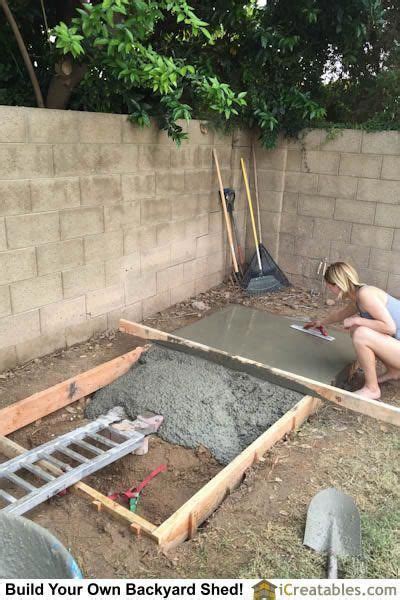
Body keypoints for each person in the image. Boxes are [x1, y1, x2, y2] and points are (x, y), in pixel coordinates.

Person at [305, 261, 400, 400]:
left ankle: (372, 389)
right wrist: (320, 322)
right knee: (356, 330)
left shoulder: (365, 295)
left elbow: (389, 327)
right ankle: (394, 371)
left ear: (336, 285)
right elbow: (341, 314)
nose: (330, 290)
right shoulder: (359, 295)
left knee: (361, 333)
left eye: (329, 286)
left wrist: (357, 320)